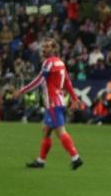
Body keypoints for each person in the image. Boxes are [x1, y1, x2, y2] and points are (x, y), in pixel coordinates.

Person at [15, 38, 83, 170]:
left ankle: (76, 157)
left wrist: (22, 91)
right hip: (58, 101)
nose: (43, 49)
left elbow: (39, 80)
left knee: (60, 131)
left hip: (53, 102)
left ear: (53, 49)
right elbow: (67, 82)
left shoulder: (49, 63)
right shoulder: (60, 63)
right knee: (46, 130)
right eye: (43, 47)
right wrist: (74, 98)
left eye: (47, 47)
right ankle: (41, 161)